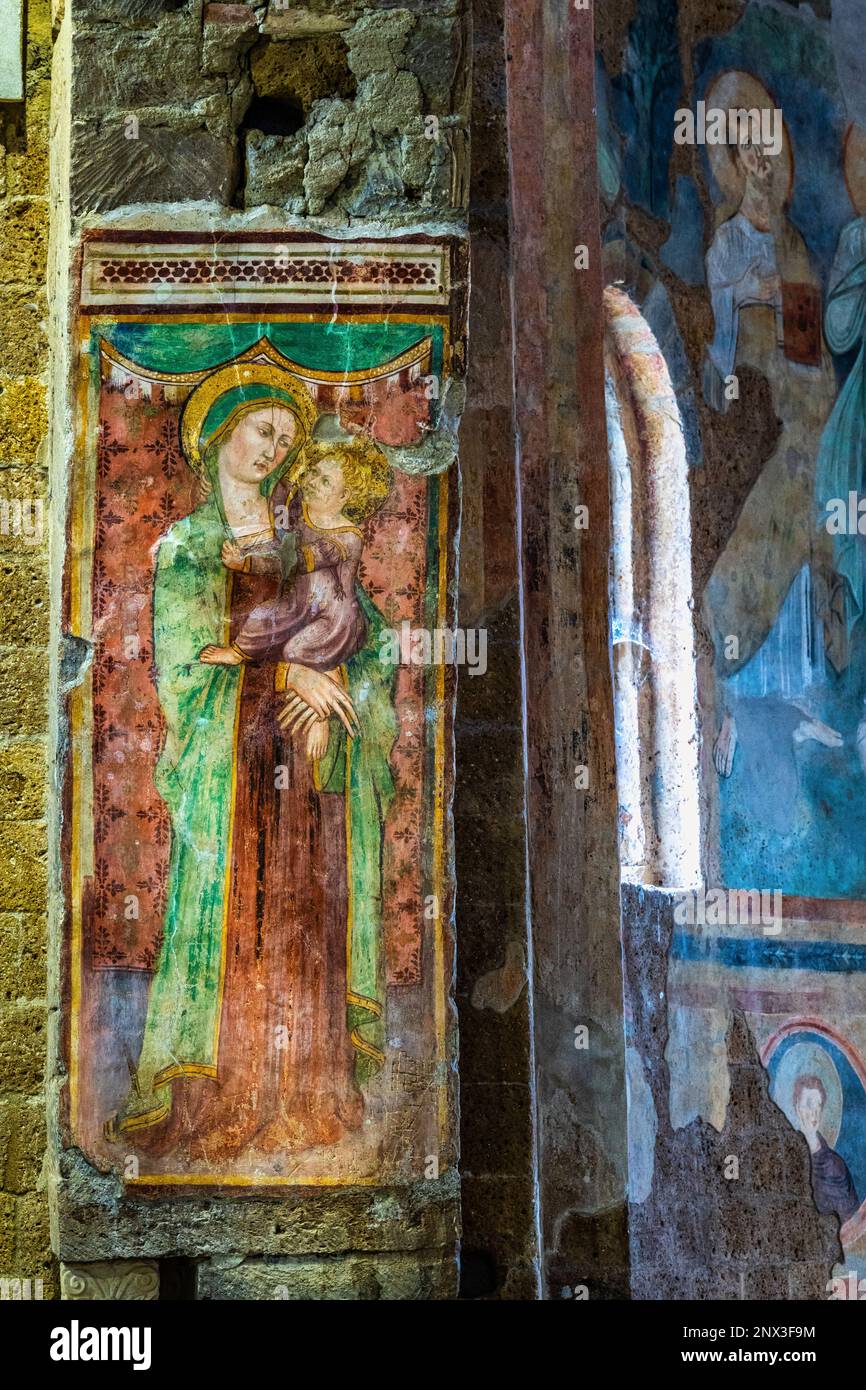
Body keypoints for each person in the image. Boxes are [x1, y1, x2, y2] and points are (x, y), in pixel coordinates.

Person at [108, 363, 397, 1164]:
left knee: (305, 919)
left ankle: (308, 1097)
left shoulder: (304, 536)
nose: (273, 449)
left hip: (307, 773)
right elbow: (185, 673)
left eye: (286, 438)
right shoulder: (192, 546)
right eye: (261, 430)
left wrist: (335, 681)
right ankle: (227, 1101)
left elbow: (372, 647)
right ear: (222, 432)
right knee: (241, 919)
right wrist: (288, 672)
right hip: (233, 777)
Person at [198, 437, 393, 765]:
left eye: (325, 481)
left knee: (297, 650)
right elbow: (281, 539)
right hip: (300, 607)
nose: (314, 483)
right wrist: (243, 563)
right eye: (313, 474)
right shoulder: (299, 518)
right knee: (263, 617)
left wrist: (308, 679)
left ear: (345, 496)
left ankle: (321, 714)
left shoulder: (348, 536)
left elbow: (294, 560)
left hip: (333, 620)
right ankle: (237, 653)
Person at [794, 1073, 860, 1222]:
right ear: (797, 1107)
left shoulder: (836, 1166)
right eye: (809, 1104)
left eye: (819, 1105)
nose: (815, 1113)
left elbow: (849, 1218)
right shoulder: (787, 1154)